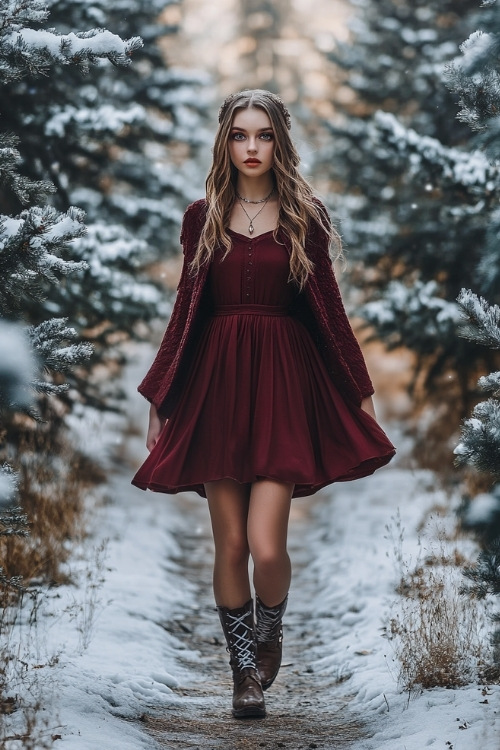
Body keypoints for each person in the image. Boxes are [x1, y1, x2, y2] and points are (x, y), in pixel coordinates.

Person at [132, 89, 395, 719]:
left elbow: (328, 310)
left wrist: (359, 391)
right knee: (230, 546)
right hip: (216, 384)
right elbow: (186, 314)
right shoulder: (202, 217)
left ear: (280, 141)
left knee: (267, 546)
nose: (252, 148)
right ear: (225, 142)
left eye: (264, 135)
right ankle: (243, 673)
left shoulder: (306, 214)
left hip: (282, 382)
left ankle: (269, 627)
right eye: (240, 135)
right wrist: (160, 397)